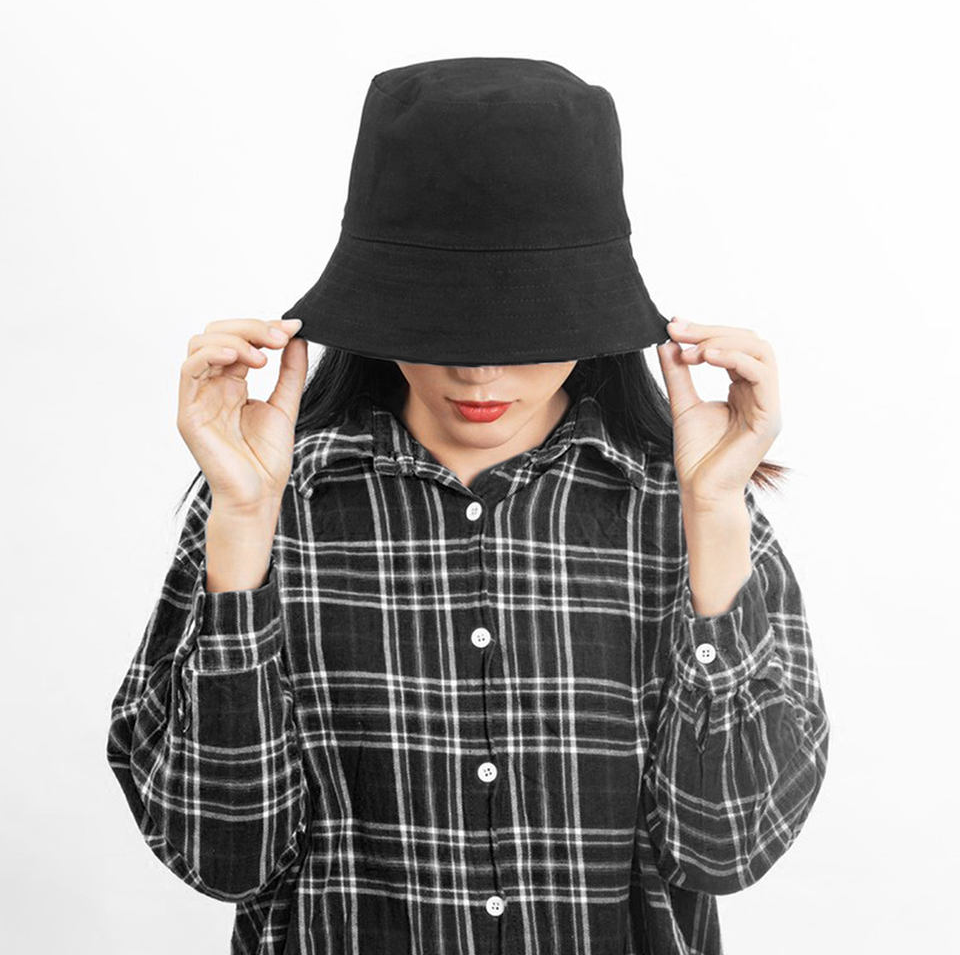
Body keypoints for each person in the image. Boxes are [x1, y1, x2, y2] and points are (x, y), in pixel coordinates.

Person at [105, 58, 830, 955]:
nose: (480, 371)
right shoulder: (265, 503)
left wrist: (714, 514)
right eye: (440, 320)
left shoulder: (683, 509)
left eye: (528, 324)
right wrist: (246, 523)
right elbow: (220, 857)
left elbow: (728, 848)